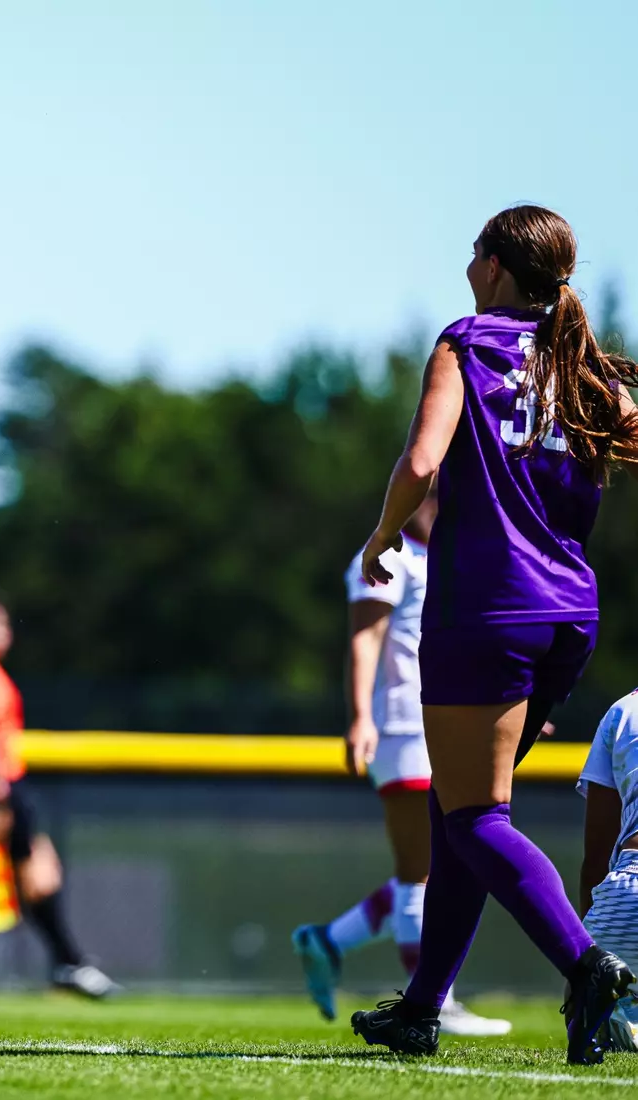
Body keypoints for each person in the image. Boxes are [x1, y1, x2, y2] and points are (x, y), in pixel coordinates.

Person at [349, 204, 638, 1065]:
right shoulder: (579, 364)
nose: (467, 264)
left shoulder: (467, 341)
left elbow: (422, 462)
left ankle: (586, 967)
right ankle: (422, 1008)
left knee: (474, 816)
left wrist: (379, 537)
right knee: (459, 812)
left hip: (487, 606)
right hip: (566, 613)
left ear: (497, 268)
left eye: (476, 252)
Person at [292, 486, 510, 1036]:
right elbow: (365, 640)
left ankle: (327, 940)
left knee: (426, 867)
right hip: (403, 727)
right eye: (433, 495)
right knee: (424, 874)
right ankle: (435, 1004)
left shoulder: (443, 558)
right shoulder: (387, 554)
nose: (441, 506)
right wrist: (361, 716)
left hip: (439, 723)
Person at [0, 593, 117, 999]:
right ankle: (69, 962)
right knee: (31, 878)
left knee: (35, 877)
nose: (5, 632)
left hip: (2, 784)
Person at [578, 690, 638, 1051]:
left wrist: (586, 967)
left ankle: (615, 1014)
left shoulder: (623, 710)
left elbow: (596, 862)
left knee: (599, 1021)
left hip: (624, 904)